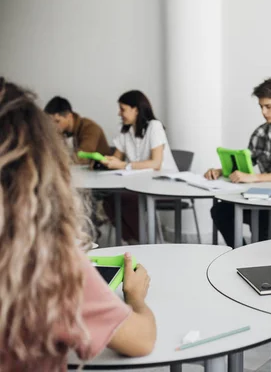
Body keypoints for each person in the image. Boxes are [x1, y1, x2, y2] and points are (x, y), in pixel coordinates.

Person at [0, 78, 156, 370]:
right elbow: (142, 340)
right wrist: (136, 299)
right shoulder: (46, 269)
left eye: (124, 109)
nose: (120, 115)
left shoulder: (99, 129)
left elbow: (147, 161)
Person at [206, 78, 271, 246]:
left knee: (263, 215)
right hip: (264, 197)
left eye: (268, 106)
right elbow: (246, 163)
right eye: (261, 107)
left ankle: (259, 260)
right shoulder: (260, 132)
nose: (264, 112)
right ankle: (238, 252)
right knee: (220, 211)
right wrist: (219, 171)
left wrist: (254, 178)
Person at [102, 90, 178, 243]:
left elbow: (156, 163)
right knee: (109, 200)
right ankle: (133, 240)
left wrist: (123, 164)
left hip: (163, 184)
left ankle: (144, 241)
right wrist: (107, 161)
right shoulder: (125, 130)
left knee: (130, 199)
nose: (119, 113)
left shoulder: (154, 127)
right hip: (138, 184)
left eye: (122, 109)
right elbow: (117, 158)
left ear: (136, 109)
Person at [44, 96, 111, 164]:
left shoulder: (90, 128)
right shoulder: (59, 131)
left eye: (57, 121)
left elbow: (83, 157)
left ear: (69, 116)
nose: (53, 126)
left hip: (99, 171)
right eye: (50, 122)